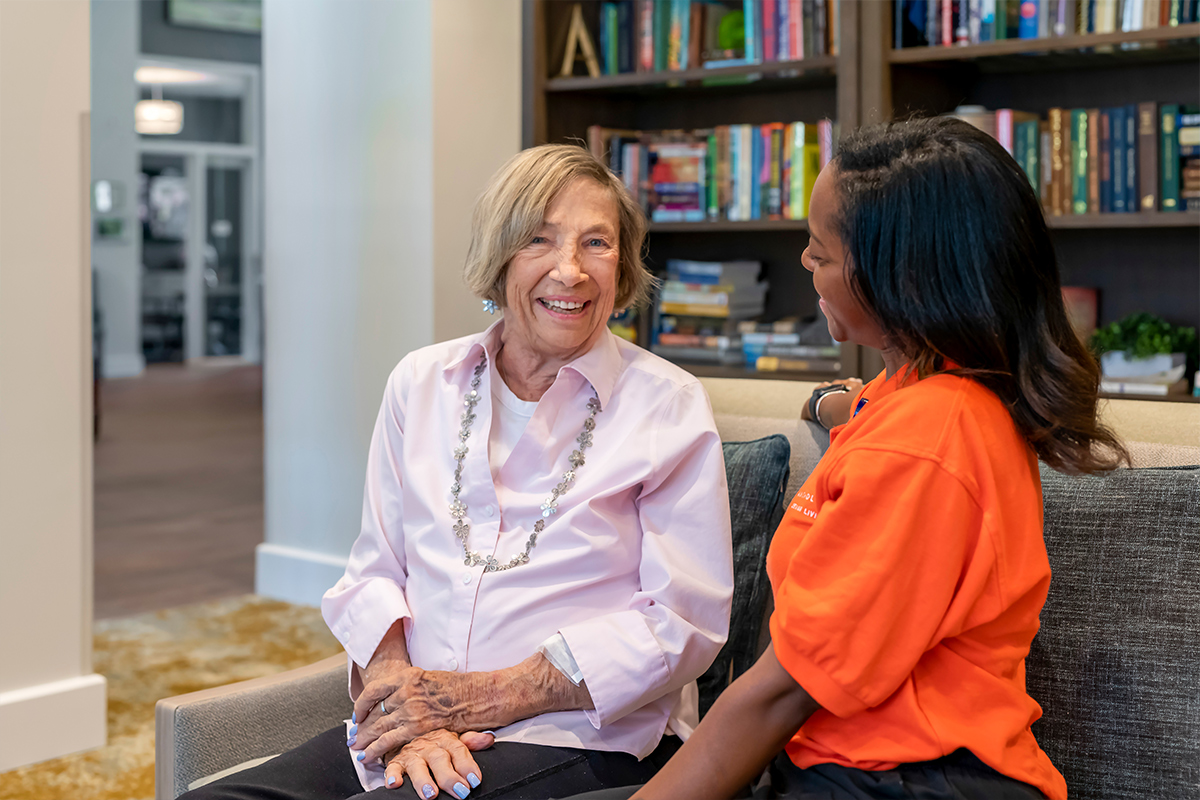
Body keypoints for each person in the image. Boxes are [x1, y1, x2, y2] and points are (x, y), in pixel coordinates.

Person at [566, 117, 1127, 800]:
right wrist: (830, 406)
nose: (806, 264)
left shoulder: (929, 436)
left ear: (901, 276)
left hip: (910, 782)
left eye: (821, 251)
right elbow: (867, 419)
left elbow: (782, 694)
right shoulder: (924, 390)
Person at [182, 144, 734, 800]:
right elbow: (376, 573)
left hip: (580, 738)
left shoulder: (666, 405)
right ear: (499, 258)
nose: (571, 270)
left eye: (596, 243)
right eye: (539, 239)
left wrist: (470, 702)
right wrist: (404, 704)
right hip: (410, 726)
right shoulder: (421, 384)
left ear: (624, 264)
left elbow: (682, 621)